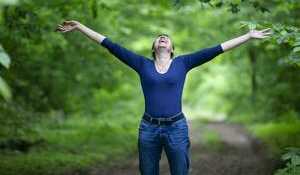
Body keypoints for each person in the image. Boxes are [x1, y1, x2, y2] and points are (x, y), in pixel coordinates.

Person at [56, 20, 272, 175]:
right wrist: (80, 27)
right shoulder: (142, 64)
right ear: (154, 47)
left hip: (176, 128)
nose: (162, 37)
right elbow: (110, 45)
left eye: (166, 38)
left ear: (172, 49)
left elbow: (217, 49)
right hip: (148, 129)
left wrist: (248, 36)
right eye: (159, 37)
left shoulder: (183, 63)